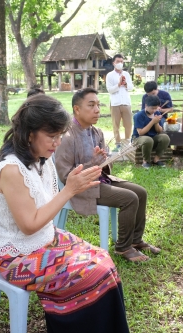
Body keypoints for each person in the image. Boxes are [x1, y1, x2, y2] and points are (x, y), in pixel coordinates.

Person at [0, 93, 130, 333]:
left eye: (60, 135)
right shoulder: (11, 170)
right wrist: (70, 190)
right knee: (93, 273)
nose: (57, 142)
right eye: (52, 136)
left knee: (103, 259)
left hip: (44, 239)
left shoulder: (41, 158)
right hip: (16, 257)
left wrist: (76, 180)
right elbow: (29, 225)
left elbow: (46, 207)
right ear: (30, 134)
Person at [55, 87, 160, 263]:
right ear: (77, 109)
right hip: (84, 187)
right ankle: (123, 247)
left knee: (140, 192)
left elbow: (105, 165)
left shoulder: (97, 132)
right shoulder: (67, 136)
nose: (97, 109)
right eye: (91, 105)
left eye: (98, 105)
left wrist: (105, 159)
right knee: (129, 198)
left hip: (101, 179)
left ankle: (136, 239)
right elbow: (66, 176)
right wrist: (92, 163)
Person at [133, 95, 171, 169]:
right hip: (138, 138)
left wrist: (156, 123)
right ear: (146, 105)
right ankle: (146, 161)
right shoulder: (138, 115)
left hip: (152, 137)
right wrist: (152, 121)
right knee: (148, 140)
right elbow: (140, 132)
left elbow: (159, 131)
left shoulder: (157, 113)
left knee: (165, 137)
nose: (154, 110)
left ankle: (156, 159)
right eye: (152, 108)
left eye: (156, 108)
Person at [106, 54, 134, 152]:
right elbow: (109, 90)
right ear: (113, 63)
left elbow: (131, 87)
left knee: (128, 124)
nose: (120, 63)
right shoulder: (110, 75)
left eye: (122, 61)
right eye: (118, 61)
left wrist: (125, 84)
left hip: (126, 102)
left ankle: (127, 141)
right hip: (115, 103)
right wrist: (118, 85)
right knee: (116, 124)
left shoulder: (126, 74)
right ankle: (118, 143)